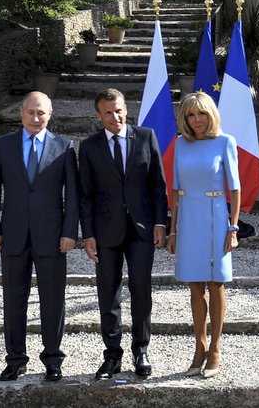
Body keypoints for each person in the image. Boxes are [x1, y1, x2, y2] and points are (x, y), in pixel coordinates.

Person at [0, 91, 79, 383]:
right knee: (13, 301)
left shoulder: (65, 147)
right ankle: (15, 360)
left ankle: (53, 359)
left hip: (52, 237)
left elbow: (72, 196)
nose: (36, 118)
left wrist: (69, 232)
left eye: (42, 113)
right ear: (20, 113)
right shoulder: (3, 146)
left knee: (53, 300)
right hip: (12, 236)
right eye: (31, 112)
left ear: (50, 114)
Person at [79, 88, 168, 380]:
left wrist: (160, 223)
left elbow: (158, 185)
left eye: (118, 110)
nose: (115, 116)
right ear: (98, 116)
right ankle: (112, 354)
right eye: (108, 112)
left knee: (141, 289)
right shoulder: (89, 147)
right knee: (108, 293)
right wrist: (88, 234)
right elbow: (86, 196)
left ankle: (140, 349)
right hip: (106, 232)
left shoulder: (145, 136)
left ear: (126, 109)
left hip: (142, 229)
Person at [166, 91, 240, 379]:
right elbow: (174, 189)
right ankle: (200, 345)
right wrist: (172, 230)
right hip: (188, 218)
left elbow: (234, 188)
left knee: (216, 282)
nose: (196, 120)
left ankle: (217, 348)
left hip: (215, 217)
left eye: (201, 114)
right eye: (190, 115)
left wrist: (233, 228)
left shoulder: (225, 142)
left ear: (211, 115)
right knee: (194, 285)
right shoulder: (180, 143)